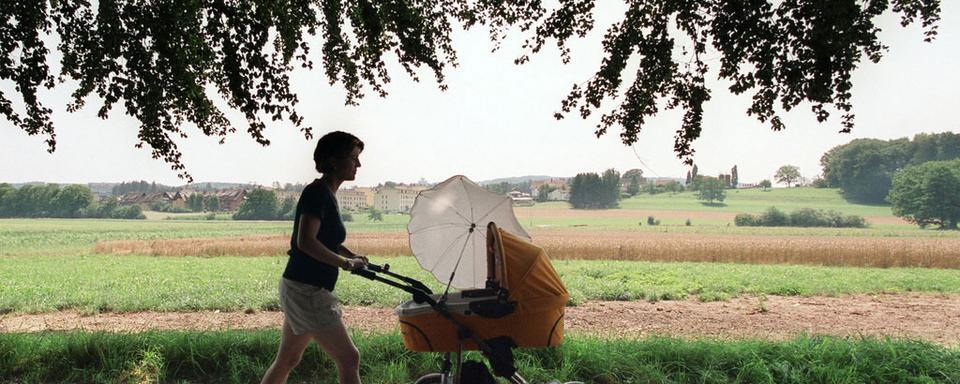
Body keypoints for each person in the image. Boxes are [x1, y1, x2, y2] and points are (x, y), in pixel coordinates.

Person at [261, 131, 369, 384]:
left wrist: (352, 256)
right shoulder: (317, 193)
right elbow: (306, 241)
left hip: (301, 286)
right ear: (334, 160)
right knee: (349, 358)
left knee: (288, 359)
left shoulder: (327, 193)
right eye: (353, 158)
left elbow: (326, 239)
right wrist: (345, 263)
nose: (359, 164)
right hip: (306, 290)